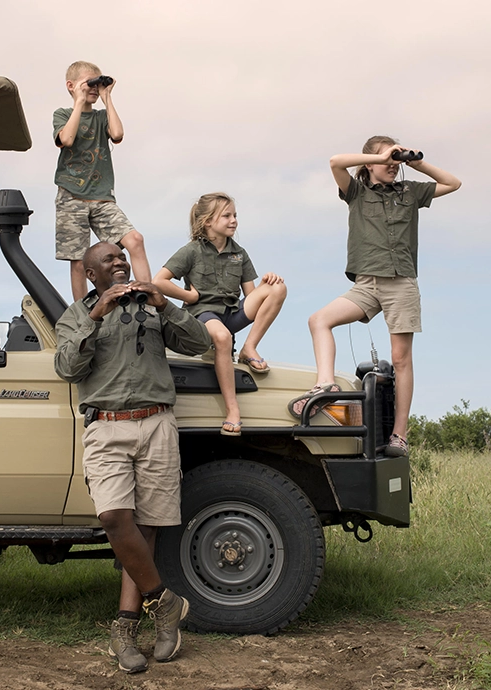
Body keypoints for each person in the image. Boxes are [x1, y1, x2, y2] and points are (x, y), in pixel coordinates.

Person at [53, 242, 209, 673]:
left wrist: (168, 305)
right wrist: (95, 316)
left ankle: (125, 626)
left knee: (145, 529)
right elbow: (67, 368)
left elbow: (199, 344)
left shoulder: (155, 305)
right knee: (113, 519)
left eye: (122, 256)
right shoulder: (75, 315)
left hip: (157, 421)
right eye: (109, 259)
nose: (120, 262)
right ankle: (165, 602)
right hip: (106, 425)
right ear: (90, 273)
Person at [297, 136, 460, 457]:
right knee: (319, 320)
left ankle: (399, 434)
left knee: (400, 359)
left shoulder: (411, 192)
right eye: (386, 160)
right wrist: (381, 155)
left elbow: (452, 183)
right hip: (366, 284)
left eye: (395, 160)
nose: (392, 165)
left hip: (401, 282)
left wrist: (415, 162)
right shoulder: (356, 192)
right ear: (368, 163)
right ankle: (326, 384)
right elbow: (334, 162)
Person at [154, 193, 287, 436]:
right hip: (202, 315)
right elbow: (159, 281)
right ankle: (232, 410)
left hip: (231, 314)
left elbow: (252, 295)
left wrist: (269, 282)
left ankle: (249, 348)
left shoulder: (240, 253)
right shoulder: (191, 251)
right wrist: (189, 297)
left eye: (235, 215)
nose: (233, 220)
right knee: (223, 337)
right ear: (207, 222)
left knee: (278, 287)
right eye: (226, 215)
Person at [54, 60, 149, 301]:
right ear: (71, 85)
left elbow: (117, 134)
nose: (95, 88)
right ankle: (82, 314)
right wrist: (78, 100)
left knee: (135, 240)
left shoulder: (101, 117)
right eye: (90, 83)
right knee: (78, 259)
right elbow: (67, 138)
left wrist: (107, 98)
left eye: (99, 83)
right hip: (72, 195)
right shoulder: (63, 114)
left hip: (102, 196)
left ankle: (147, 299)